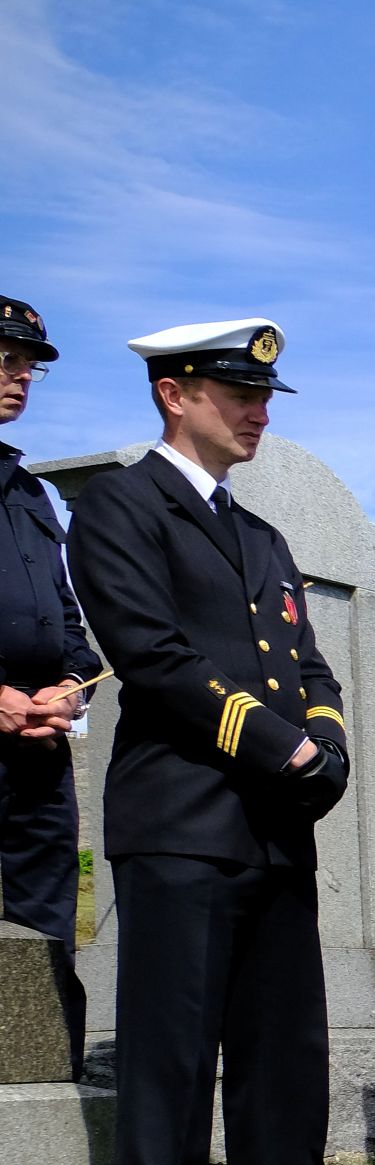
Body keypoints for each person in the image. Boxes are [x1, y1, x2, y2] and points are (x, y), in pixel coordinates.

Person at [62, 318, 375, 1165]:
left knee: (282, 1076)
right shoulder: (120, 510)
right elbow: (155, 659)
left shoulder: (260, 537)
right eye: (235, 393)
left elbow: (308, 665)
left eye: (263, 397)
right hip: (180, 830)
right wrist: (277, 745)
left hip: (272, 836)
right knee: (171, 1078)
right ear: (174, 394)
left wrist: (332, 746)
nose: (257, 411)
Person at [0, 294, 95, 1074]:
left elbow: (67, 622)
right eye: (5, 360)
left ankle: (47, 1083)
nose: (20, 376)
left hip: (35, 747)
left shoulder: (27, 492)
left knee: (45, 925)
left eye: (27, 365)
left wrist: (71, 684)